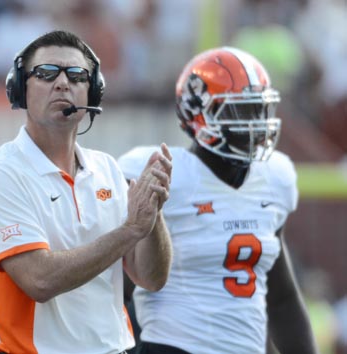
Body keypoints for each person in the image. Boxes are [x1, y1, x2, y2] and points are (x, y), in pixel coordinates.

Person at [0, 30, 173, 354]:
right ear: (20, 89)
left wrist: (153, 214)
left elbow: (151, 278)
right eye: (47, 73)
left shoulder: (107, 168)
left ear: (93, 91)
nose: (63, 83)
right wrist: (131, 229)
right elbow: (40, 280)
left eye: (77, 75)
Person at [118, 46, 318, 354]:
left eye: (259, 110)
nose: (256, 125)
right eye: (241, 111)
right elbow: (119, 290)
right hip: (174, 347)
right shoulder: (163, 171)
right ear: (199, 114)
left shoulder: (275, 177)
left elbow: (281, 299)